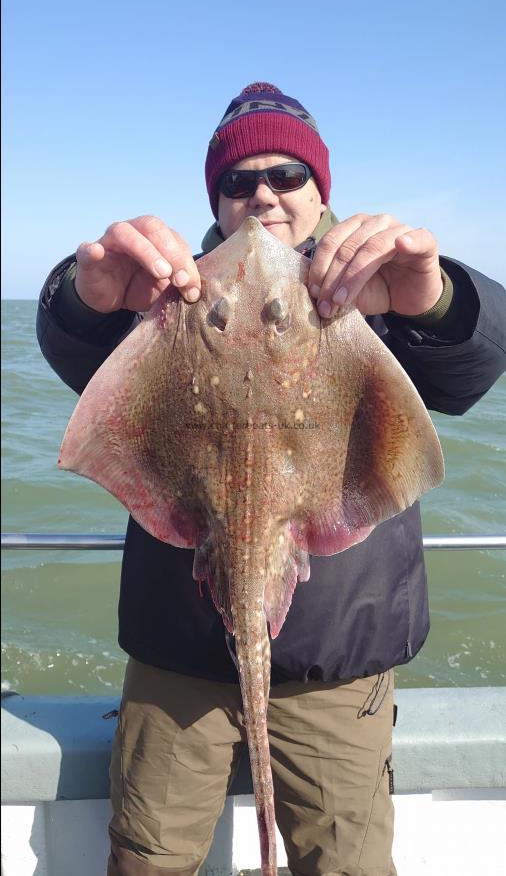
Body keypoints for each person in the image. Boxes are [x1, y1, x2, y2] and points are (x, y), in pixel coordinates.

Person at [37, 83, 506, 876]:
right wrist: (87, 299)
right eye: (238, 180)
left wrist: (435, 296)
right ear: (215, 198)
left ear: (323, 188)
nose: (263, 195)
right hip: (176, 659)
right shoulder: (176, 292)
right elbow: (78, 351)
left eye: (287, 174)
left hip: (336, 667)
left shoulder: (376, 288)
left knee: (347, 864)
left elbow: (474, 364)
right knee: (148, 860)